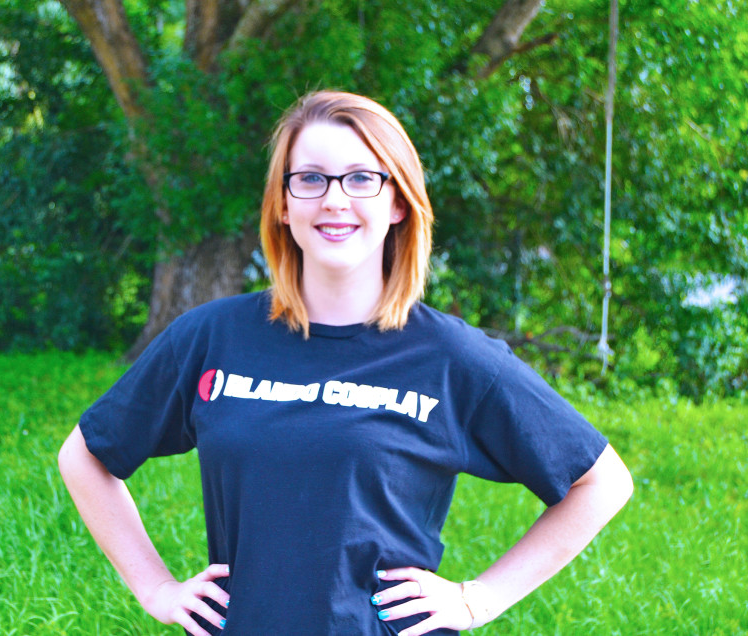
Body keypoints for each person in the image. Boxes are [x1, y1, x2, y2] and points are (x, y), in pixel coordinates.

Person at [58, 90, 634, 636]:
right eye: (310, 179)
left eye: (362, 178)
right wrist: (156, 589)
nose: (335, 199)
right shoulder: (213, 338)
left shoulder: (451, 358)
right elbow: (85, 456)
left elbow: (601, 482)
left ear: (399, 202)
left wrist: (475, 598)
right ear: (283, 205)